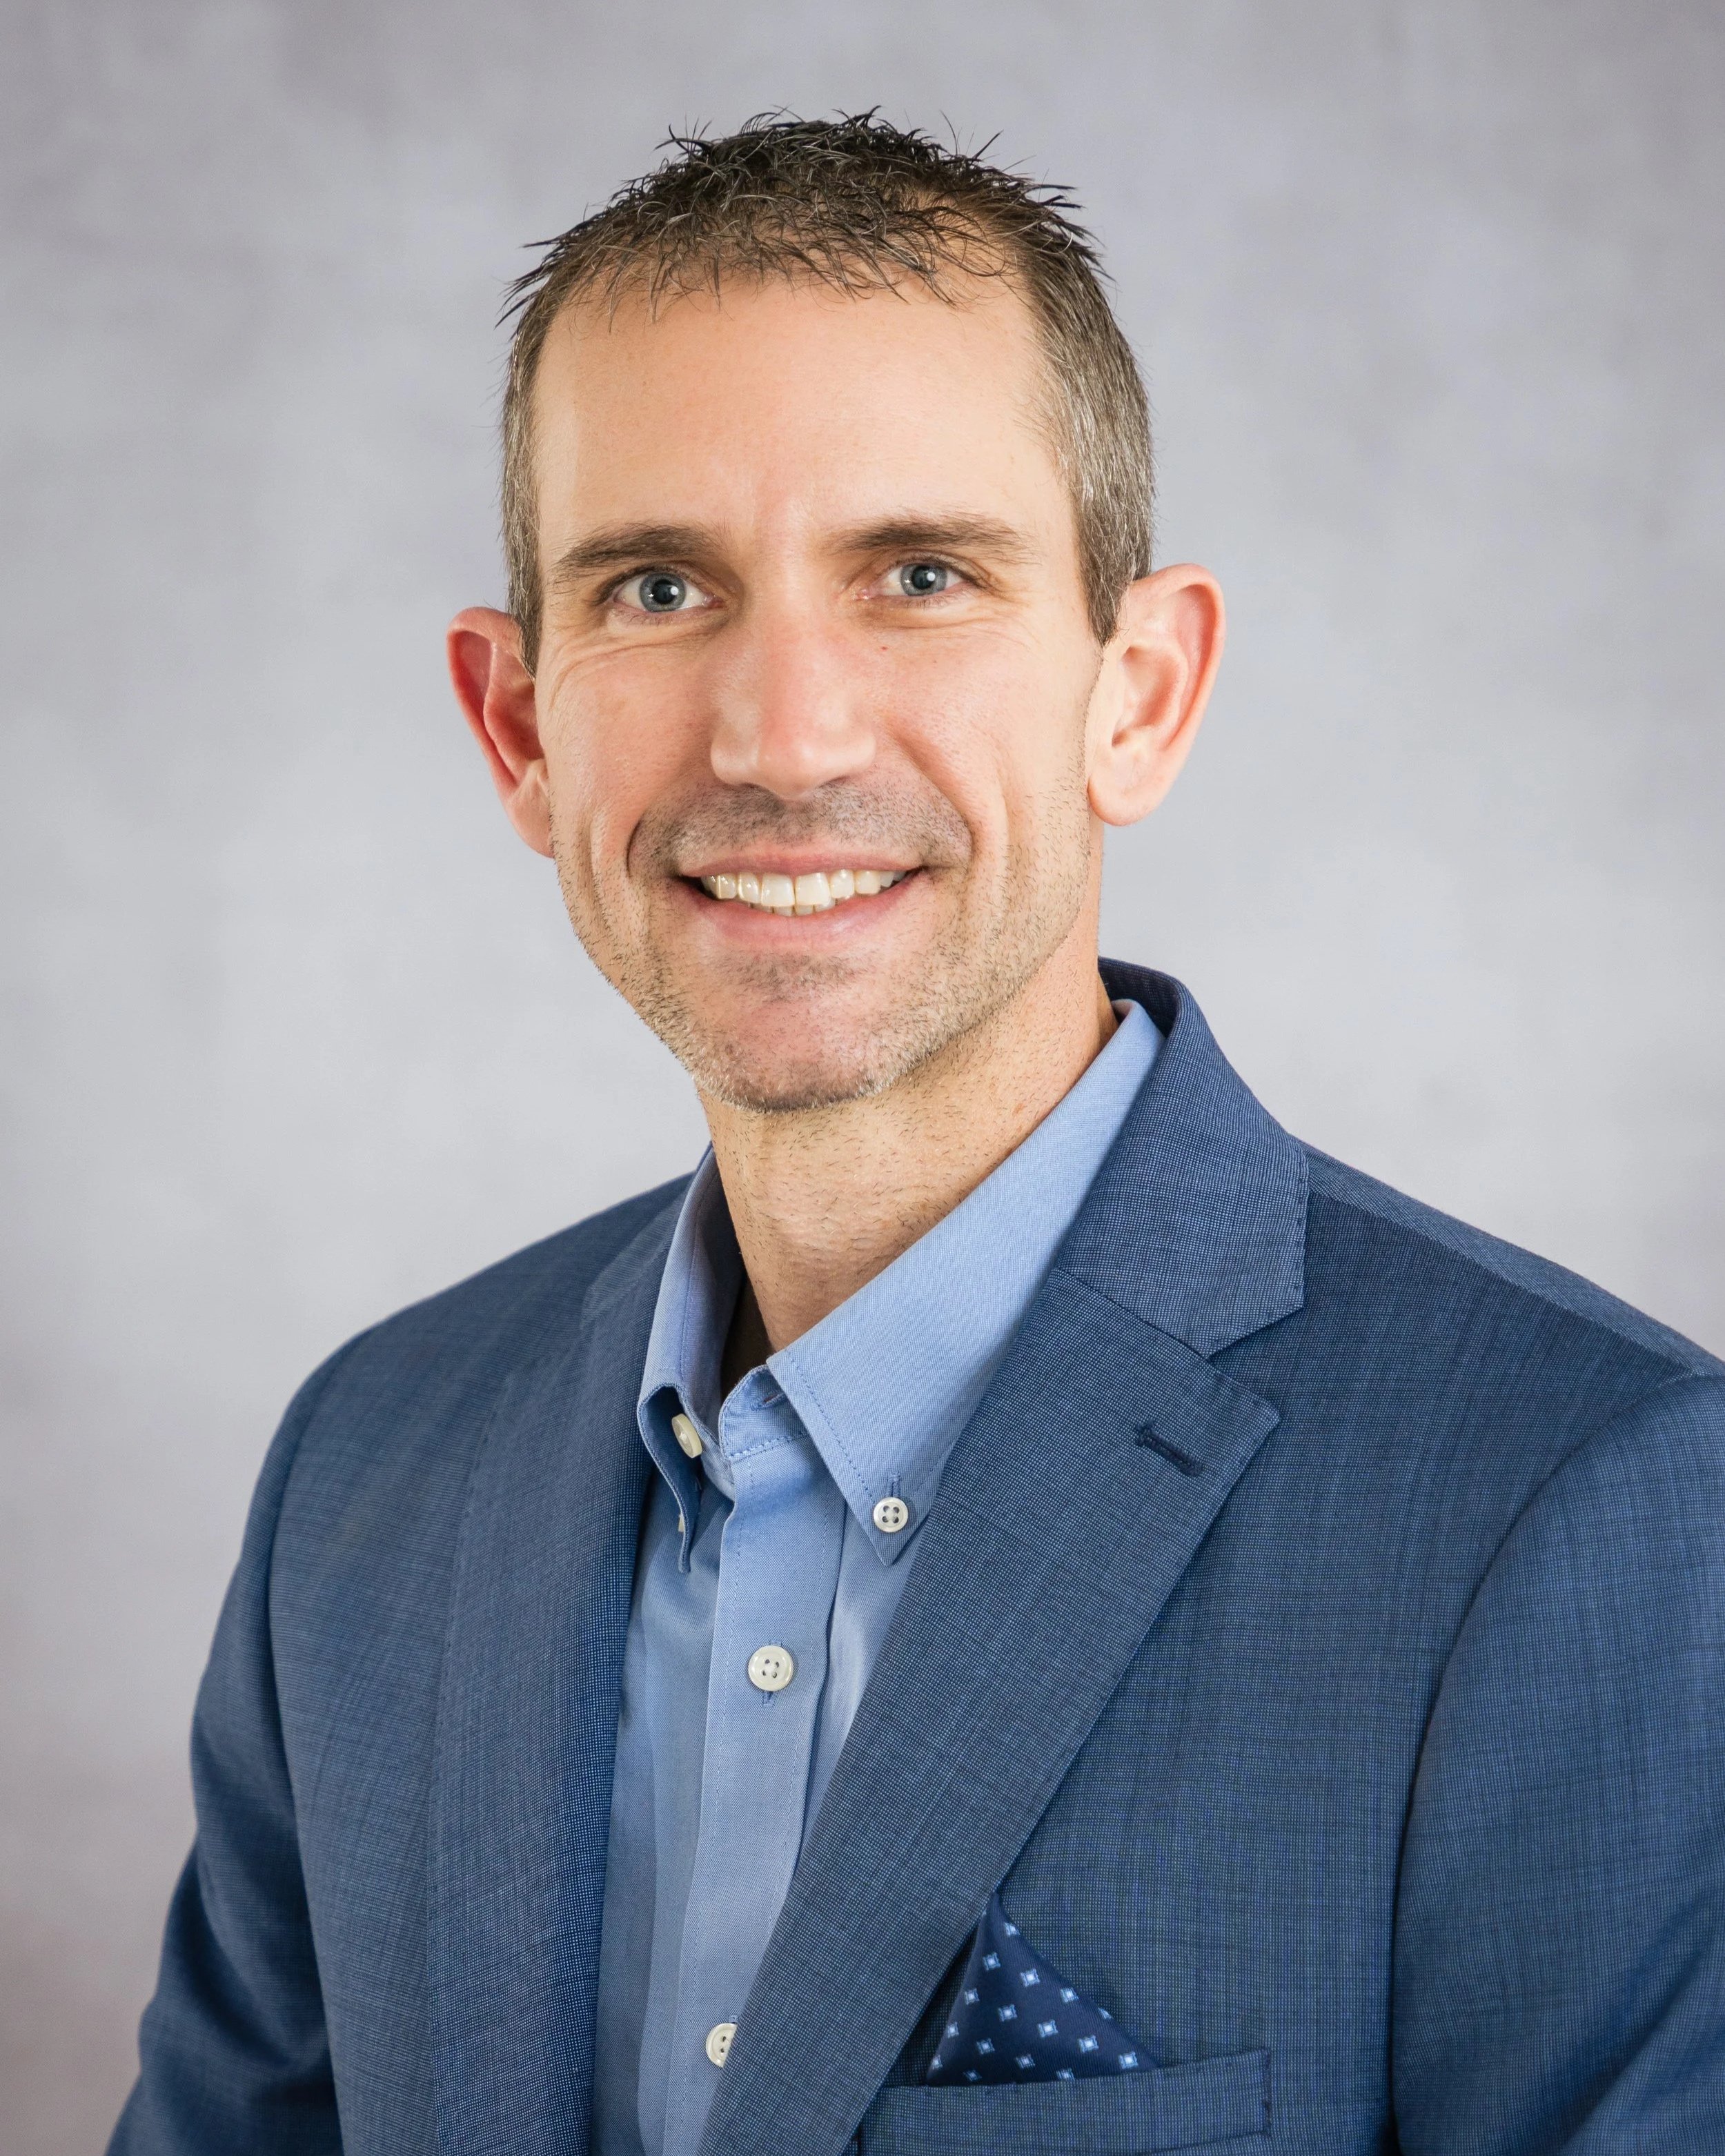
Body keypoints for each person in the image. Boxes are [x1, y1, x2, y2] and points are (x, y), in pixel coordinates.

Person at [110, 114, 1725, 2156]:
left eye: (922, 575)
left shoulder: (1588, 1512)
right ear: (519, 729)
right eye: (662, 583)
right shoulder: (368, 1473)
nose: (785, 734)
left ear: (1135, 694)